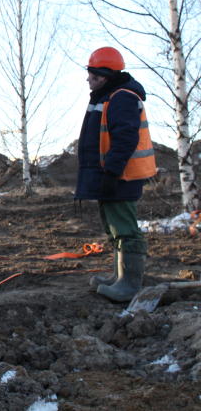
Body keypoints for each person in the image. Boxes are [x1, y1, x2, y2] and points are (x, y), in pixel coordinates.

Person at [77, 47, 156, 302]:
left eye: (92, 73)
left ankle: (129, 285)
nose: (88, 78)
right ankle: (119, 277)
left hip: (122, 176)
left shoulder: (121, 97)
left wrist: (111, 172)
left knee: (125, 228)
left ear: (103, 75)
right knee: (114, 228)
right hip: (112, 174)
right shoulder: (108, 96)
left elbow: (125, 139)